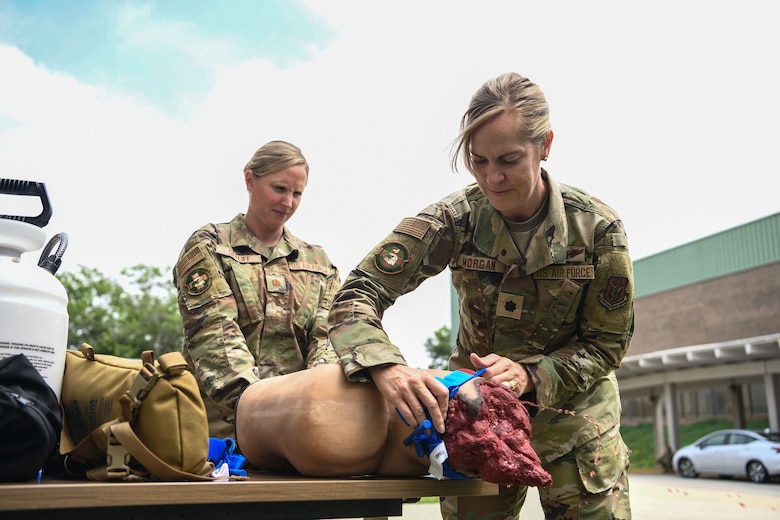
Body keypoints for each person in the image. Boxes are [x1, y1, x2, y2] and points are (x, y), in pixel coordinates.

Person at [328, 72, 634, 519]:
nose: (492, 177)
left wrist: (532, 374)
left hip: (577, 424)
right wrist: (385, 366)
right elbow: (357, 294)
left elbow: (607, 343)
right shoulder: (456, 219)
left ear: (545, 145)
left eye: (509, 159)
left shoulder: (597, 230)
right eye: (478, 160)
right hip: (477, 420)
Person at [173, 140, 341, 440]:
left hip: (296, 429)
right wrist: (258, 411)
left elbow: (327, 341)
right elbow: (215, 334)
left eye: (297, 193)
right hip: (217, 431)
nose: (288, 202)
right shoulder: (210, 245)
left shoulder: (318, 263)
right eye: (279, 189)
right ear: (250, 180)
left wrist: (320, 401)